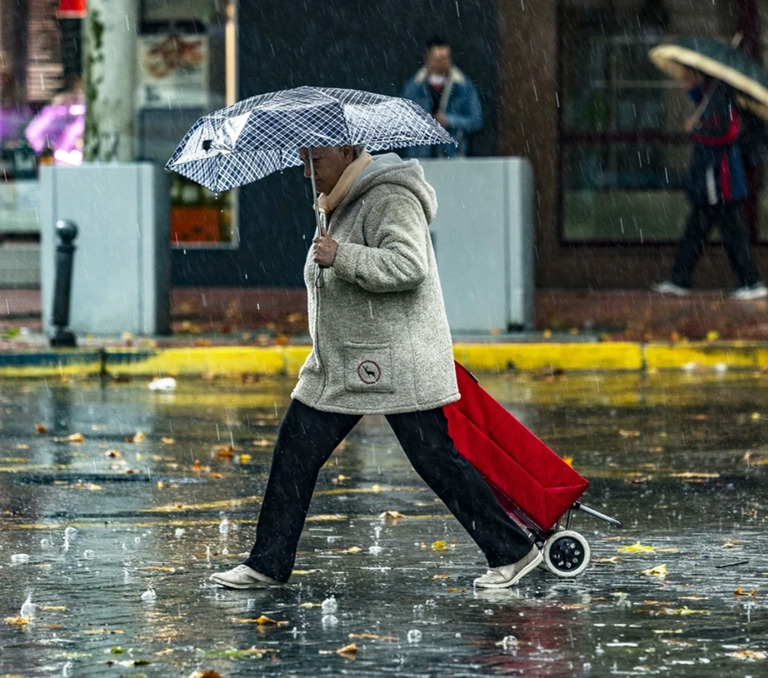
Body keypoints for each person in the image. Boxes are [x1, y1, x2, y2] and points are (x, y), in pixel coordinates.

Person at [209, 144, 541, 590]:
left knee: (434, 457)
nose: (307, 172)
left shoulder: (388, 197)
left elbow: (410, 265)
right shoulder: (337, 200)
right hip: (344, 363)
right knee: (296, 450)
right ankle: (267, 564)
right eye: (303, 160)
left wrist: (341, 256)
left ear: (348, 152)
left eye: (316, 161)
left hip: (395, 360)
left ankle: (514, 551)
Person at [651, 67, 768, 301]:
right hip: (713, 178)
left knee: (727, 231)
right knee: (701, 229)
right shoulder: (708, 98)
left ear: (697, 77)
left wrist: (697, 129)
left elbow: (727, 132)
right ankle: (681, 279)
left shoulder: (719, 97)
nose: (683, 84)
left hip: (719, 179)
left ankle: (750, 281)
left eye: (686, 79)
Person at [400, 38, 483, 158]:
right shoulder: (414, 87)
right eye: (438, 59)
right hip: (421, 155)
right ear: (427, 59)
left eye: (445, 58)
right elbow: (403, 119)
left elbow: (476, 120)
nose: (442, 63)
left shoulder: (463, 86)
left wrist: (449, 121)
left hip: (452, 154)